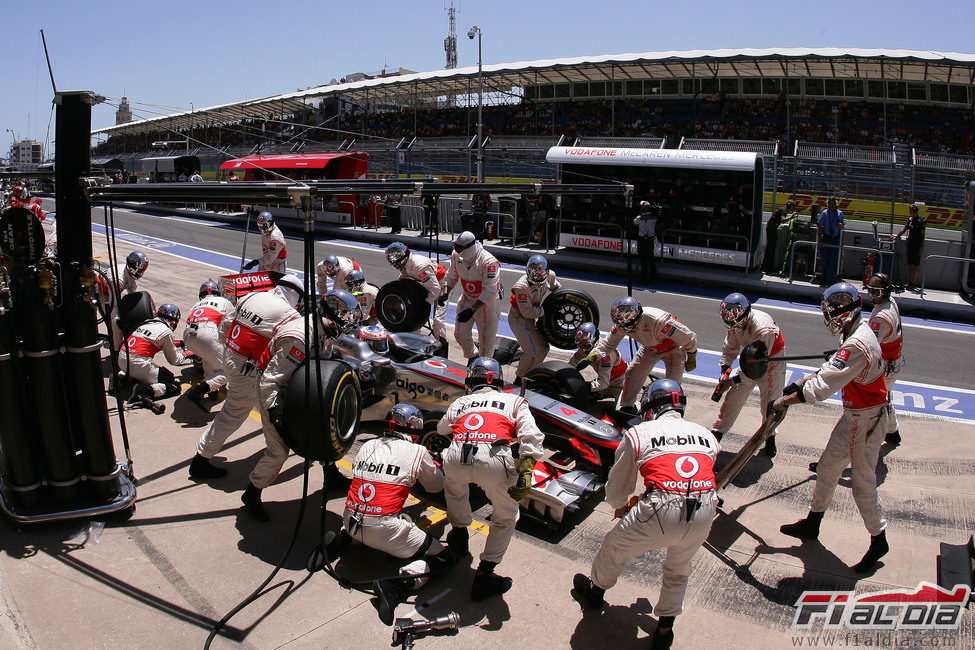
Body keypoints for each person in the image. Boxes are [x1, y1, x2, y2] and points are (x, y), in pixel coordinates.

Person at [572, 379, 718, 650]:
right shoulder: (706, 434)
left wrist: (618, 504)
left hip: (662, 508)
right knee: (678, 569)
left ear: (650, 406)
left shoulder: (641, 432)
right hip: (706, 508)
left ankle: (595, 593)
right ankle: (665, 630)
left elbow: (619, 484)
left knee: (614, 548)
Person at [774, 283, 891, 573]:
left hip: (866, 420)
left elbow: (821, 388)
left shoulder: (856, 344)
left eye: (832, 311)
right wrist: (795, 385)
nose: (829, 316)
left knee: (863, 484)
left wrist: (783, 401)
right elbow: (829, 369)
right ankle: (813, 523)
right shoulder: (852, 332)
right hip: (856, 416)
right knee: (827, 468)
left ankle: (879, 539)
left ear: (845, 312)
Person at [322, 404, 455, 625]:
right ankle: (397, 586)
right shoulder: (418, 451)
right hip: (383, 530)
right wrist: (436, 464)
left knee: (368, 507)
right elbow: (435, 487)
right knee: (443, 557)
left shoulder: (368, 446)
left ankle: (342, 540)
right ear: (414, 429)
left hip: (350, 518)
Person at [241, 289, 360, 521]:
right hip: (276, 390)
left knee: (323, 429)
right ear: (328, 315)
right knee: (279, 451)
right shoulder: (300, 338)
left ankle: (331, 476)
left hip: (300, 383)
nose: (344, 325)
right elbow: (270, 380)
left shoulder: (323, 329)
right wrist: (275, 413)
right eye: (342, 318)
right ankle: (252, 493)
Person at [439, 357, 544, 600]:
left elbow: (442, 429)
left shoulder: (461, 401)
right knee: (506, 517)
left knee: (455, 490)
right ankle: (485, 573)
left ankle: (459, 535)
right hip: (495, 458)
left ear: (471, 381)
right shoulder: (515, 400)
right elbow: (532, 435)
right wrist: (526, 469)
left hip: (456, 456)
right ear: (497, 382)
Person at [188, 275, 305, 479]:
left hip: (232, 356)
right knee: (234, 413)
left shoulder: (251, 296)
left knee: (261, 405)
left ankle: (285, 438)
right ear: (295, 296)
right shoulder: (289, 314)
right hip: (249, 368)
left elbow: (225, 327)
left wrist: (231, 350)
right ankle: (201, 458)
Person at [587, 297, 698, 410]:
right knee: (632, 373)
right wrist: (593, 356)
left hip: (674, 349)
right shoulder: (622, 323)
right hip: (650, 348)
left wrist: (692, 355)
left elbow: (689, 337)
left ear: (636, 316)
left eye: (628, 326)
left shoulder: (659, 321)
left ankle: (669, 411)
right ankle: (626, 407)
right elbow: (609, 343)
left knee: (673, 387)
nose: (625, 329)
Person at [711, 293, 787, 458]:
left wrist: (732, 381)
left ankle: (770, 436)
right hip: (751, 359)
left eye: (734, 323)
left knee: (770, 405)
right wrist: (725, 372)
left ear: (746, 315)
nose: (732, 327)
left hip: (771, 362)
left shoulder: (763, 328)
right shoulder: (734, 323)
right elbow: (730, 348)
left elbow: (755, 370)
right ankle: (717, 434)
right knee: (732, 398)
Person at [118, 304, 192, 410]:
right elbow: (174, 360)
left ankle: (121, 377)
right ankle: (142, 390)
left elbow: (153, 341)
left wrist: (179, 343)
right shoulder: (166, 332)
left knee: (139, 370)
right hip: (138, 364)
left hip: (122, 359)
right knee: (174, 386)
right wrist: (188, 354)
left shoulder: (146, 323)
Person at [442, 231, 502, 362]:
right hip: (468, 298)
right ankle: (472, 357)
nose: (457, 250)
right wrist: (445, 293)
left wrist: (473, 309)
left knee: (486, 344)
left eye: (460, 247)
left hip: (487, 303)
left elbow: (490, 291)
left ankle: (484, 365)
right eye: (455, 246)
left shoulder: (489, 262)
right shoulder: (455, 255)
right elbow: (451, 276)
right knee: (459, 335)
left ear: (471, 246)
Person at [182, 281, 235, 412]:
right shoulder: (224, 301)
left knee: (208, 356)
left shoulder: (196, 305)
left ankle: (212, 390)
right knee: (229, 371)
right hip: (206, 333)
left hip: (188, 336)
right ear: (218, 292)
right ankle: (198, 391)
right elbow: (234, 322)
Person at [864, 273, 903, 447]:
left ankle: (869, 441)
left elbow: (869, 346)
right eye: (870, 290)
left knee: (874, 404)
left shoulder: (881, 318)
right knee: (885, 398)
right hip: (893, 362)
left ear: (885, 292)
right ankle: (893, 433)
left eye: (876, 291)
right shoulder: (890, 302)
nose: (872, 295)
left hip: (886, 366)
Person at [508, 255, 560, 381]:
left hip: (533, 315)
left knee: (543, 348)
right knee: (531, 352)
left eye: (541, 275)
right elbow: (528, 312)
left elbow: (557, 289)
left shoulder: (550, 275)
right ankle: (519, 379)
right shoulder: (521, 287)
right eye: (535, 275)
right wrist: (547, 310)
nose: (538, 277)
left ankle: (532, 375)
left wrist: (558, 295)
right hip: (518, 318)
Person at [385, 242, 448, 347]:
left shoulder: (419, 265)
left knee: (437, 321)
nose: (394, 260)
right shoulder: (405, 265)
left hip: (441, 286)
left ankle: (441, 348)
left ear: (404, 254)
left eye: (396, 255)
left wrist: (424, 305)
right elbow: (402, 280)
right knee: (412, 317)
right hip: (427, 284)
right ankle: (414, 345)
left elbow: (435, 290)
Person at [571, 322, 626, 399]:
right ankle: (601, 393)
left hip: (621, 384)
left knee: (624, 408)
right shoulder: (585, 348)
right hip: (606, 383)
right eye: (580, 345)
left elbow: (603, 383)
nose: (582, 349)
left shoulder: (606, 353)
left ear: (593, 341)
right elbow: (570, 365)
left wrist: (584, 386)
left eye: (585, 345)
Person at [895, 204, 926, 289]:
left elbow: (923, 235)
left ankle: (913, 282)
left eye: (911, 211)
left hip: (917, 245)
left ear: (915, 211)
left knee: (915, 265)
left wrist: (922, 247)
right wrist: (896, 237)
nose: (909, 213)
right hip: (910, 245)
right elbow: (904, 229)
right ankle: (909, 282)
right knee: (909, 265)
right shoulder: (910, 220)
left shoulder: (921, 221)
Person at [817, 197, 845, 285]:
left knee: (833, 260)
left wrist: (840, 226)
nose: (831, 205)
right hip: (826, 237)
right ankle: (823, 278)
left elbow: (842, 226)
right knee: (824, 259)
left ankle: (830, 279)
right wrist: (819, 239)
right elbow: (819, 225)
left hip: (835, 238)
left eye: (833, 203)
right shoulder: (825, 213)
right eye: (829, 204)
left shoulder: (839, 213)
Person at [762, 199, 794, 274]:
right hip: (771, 228)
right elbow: (782, 220)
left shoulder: (783, 209)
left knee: (771, 247)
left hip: (773, 228)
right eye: (793, 206)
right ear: (790, 206)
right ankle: (767, 267)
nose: (793, 208)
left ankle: (766, 266)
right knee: (771, 248)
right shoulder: (784, 210)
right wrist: (791, 217)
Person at [633, 201, 659, 284]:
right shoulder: (654, 218)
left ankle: (644, 279)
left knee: (643, 260)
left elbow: (634, 222)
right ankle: (653, 278)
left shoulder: (639, 218)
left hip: (642, 240)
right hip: (650, 239)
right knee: (651, 259)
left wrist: (641, 214)